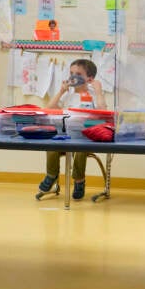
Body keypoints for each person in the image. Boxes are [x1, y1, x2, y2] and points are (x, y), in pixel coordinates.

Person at [38, 59, 107, 200]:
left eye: (78, 73)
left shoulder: (93, 95)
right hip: (66, 135)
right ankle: (51, 175)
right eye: (71, 73)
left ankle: (79, 180)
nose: (73, 76)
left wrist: (99, 92)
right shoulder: (68, 95)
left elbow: (103, 111)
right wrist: (61, 91)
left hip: (84, 138)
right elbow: (48, 109)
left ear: (90, 78)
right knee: (51, 143)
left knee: (79, 148)